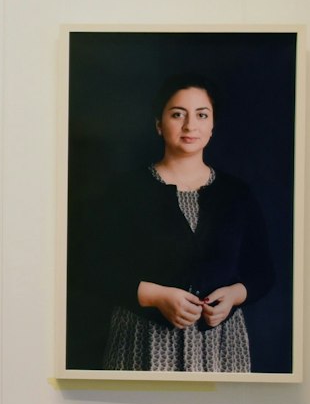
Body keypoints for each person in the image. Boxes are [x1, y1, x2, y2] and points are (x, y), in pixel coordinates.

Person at [91, 76, 277, 373]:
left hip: (220, 346)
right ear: (159, 124)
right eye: (178, 114)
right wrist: (155, 296)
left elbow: (262, 271)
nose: (191, 125)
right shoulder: (125, 191)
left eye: (201, 115)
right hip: (144, 342)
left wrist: (234, 295)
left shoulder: (237, 194)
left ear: (212, 125)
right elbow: (92, 266)